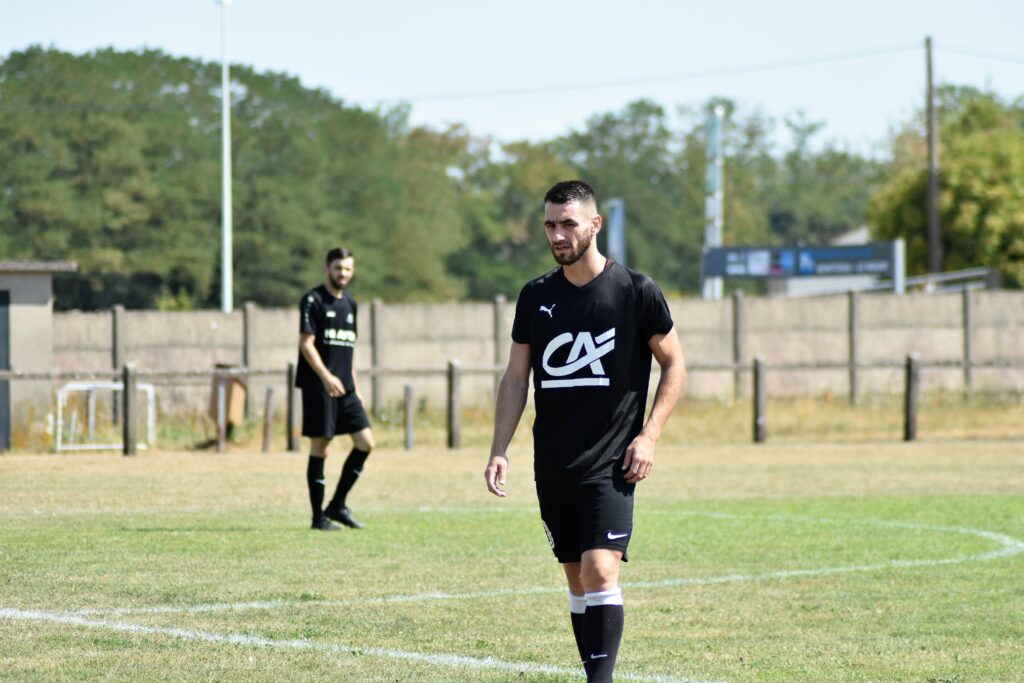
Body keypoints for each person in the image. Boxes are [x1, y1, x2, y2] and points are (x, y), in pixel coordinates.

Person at [484, 180, 685, 681]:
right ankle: (593, 670)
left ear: (595, 225)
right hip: (553, 461)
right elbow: (515, 377)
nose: (557, 234)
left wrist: (650, 434)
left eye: (568, 223)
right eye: (550, 224)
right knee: (576, 579)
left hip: (612, 462)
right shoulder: (535, 296)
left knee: (600, 569)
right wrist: (498, 449)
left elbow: (674, 364)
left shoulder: (636, 291)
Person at [296, 246, 376, 531]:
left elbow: (349, 349)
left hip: (347, 388)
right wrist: (326, 377)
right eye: (338, 268)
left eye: (348, 269)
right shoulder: (313, 300)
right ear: (327, 268)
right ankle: (318, 518)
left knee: (366, 442)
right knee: (322, 446)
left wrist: (355, 384)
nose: (343, 273)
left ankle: (337, 505)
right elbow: (306, 343)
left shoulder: (351, 304)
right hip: (320, 386)